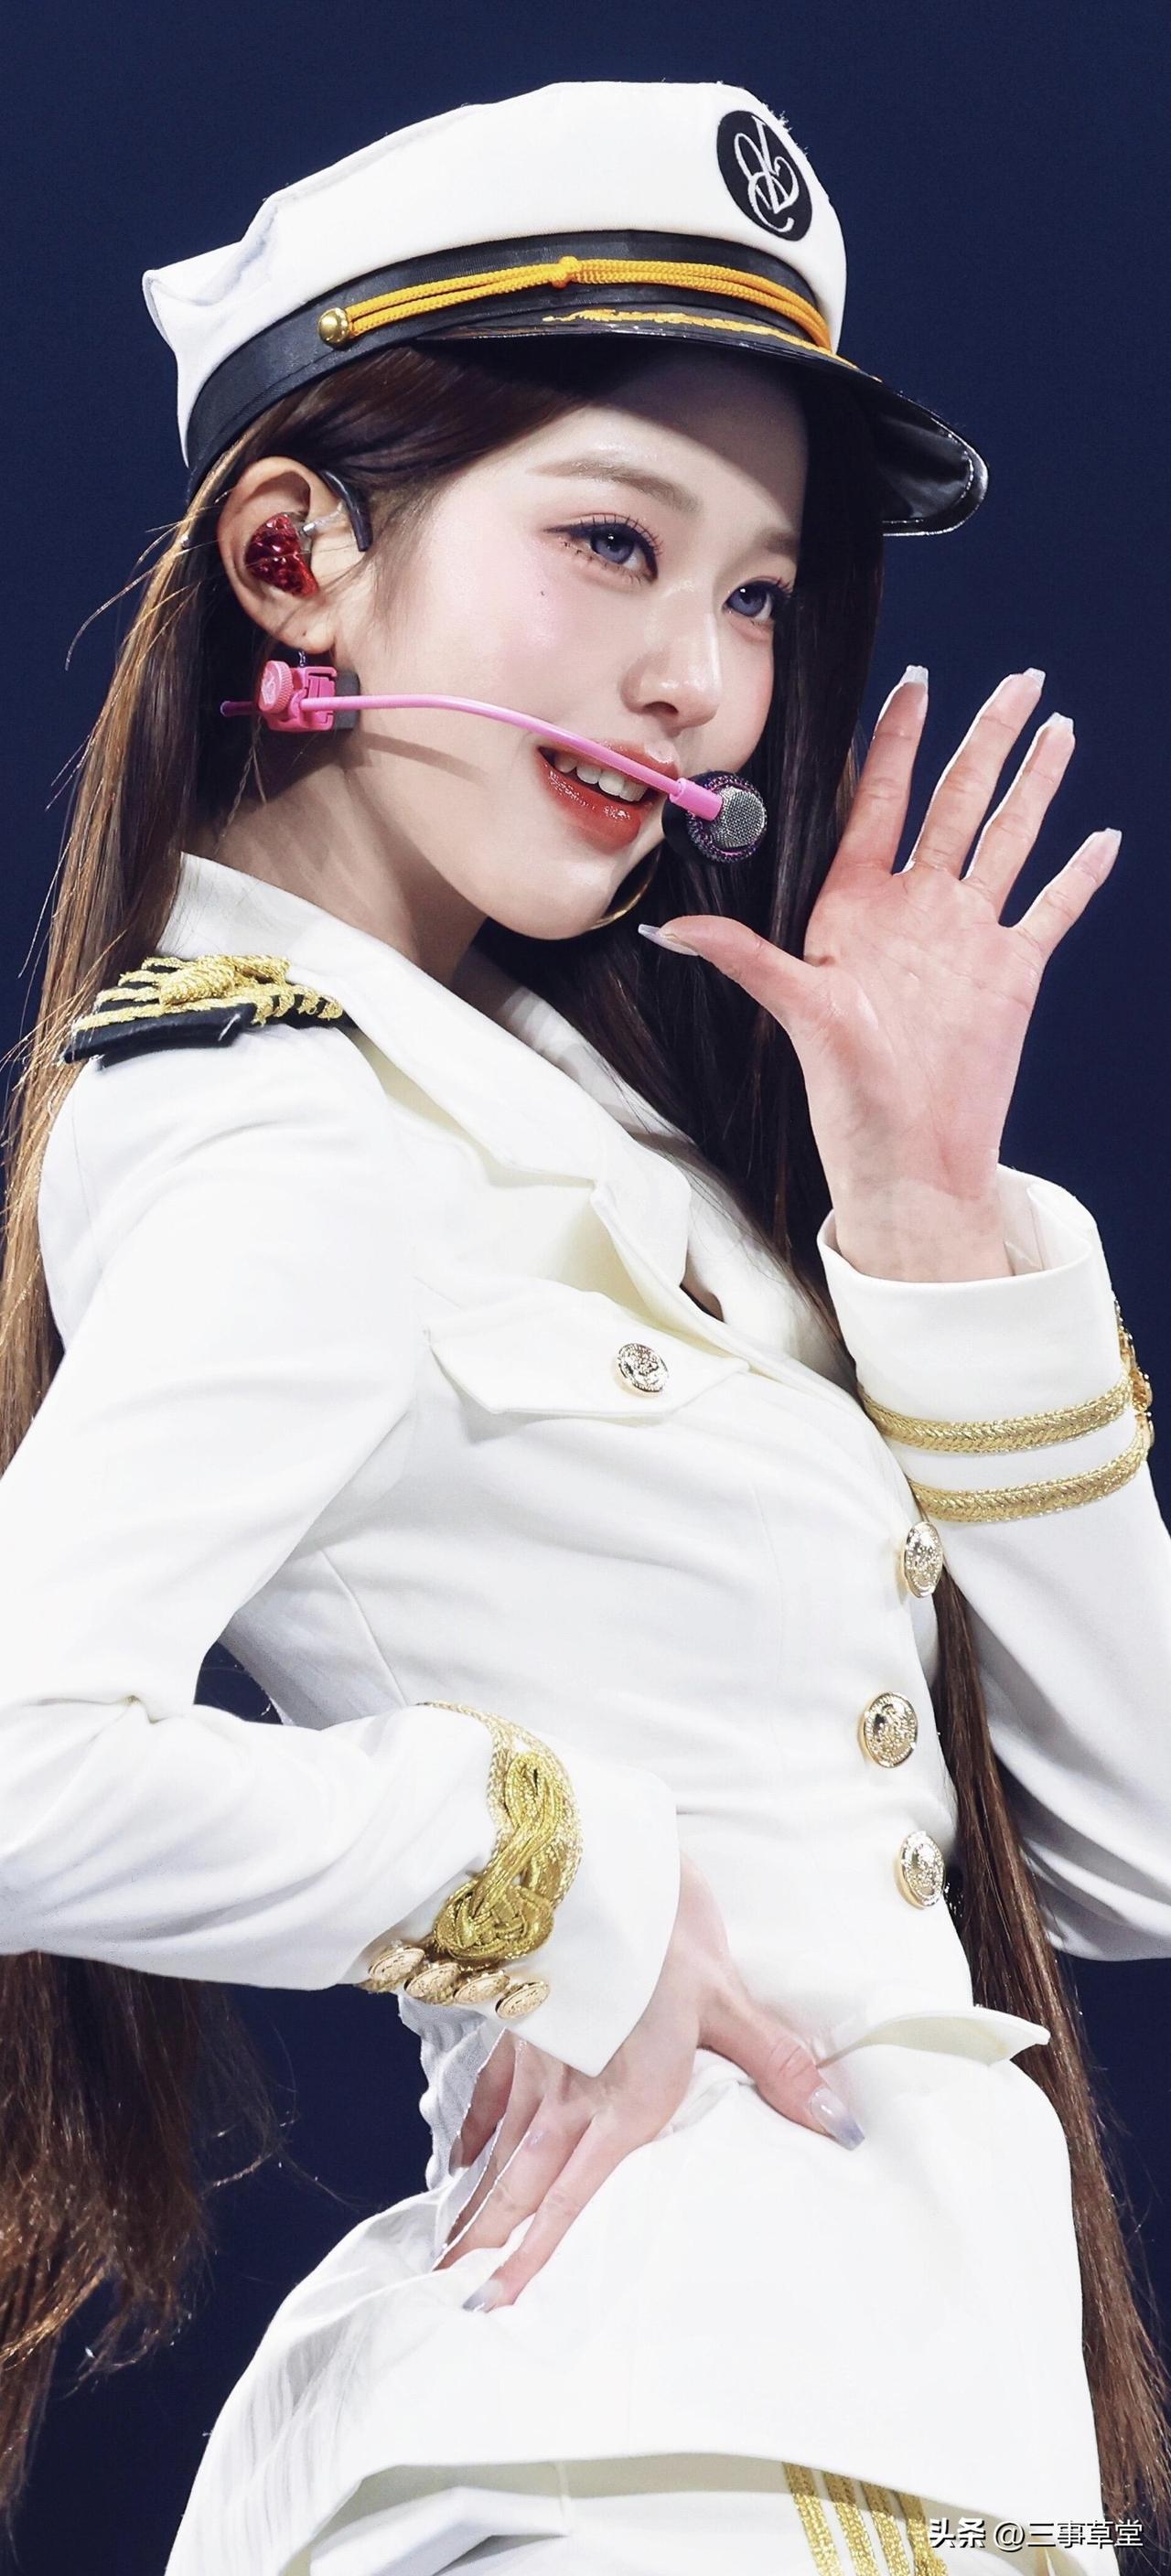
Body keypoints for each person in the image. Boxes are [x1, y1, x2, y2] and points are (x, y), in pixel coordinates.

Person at [1, 72, 1168, 2576]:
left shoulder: (619, 1133)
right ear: (300, 558)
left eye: (754, 596)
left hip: (882, 2447)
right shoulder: (279, 1117)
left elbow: (1135, 1846)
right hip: (616, 2450)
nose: (699, 686)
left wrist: (931, 1226)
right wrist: (544, 1870)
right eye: (612, 542)